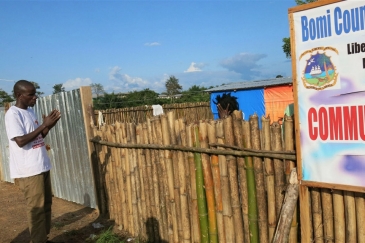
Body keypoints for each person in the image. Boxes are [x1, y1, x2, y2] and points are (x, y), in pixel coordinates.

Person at [5, 80, 62, 243]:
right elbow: (21, 141)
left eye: (35, 93)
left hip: (41, 164)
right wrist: (43, 125)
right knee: (36, 209)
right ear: (19, 95)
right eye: (31, 95)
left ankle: (42, 238)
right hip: (29, 170)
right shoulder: (13, 114)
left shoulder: (30, 111)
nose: (35, 97)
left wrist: (48, 127)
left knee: (46, 206)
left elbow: (38, 137)